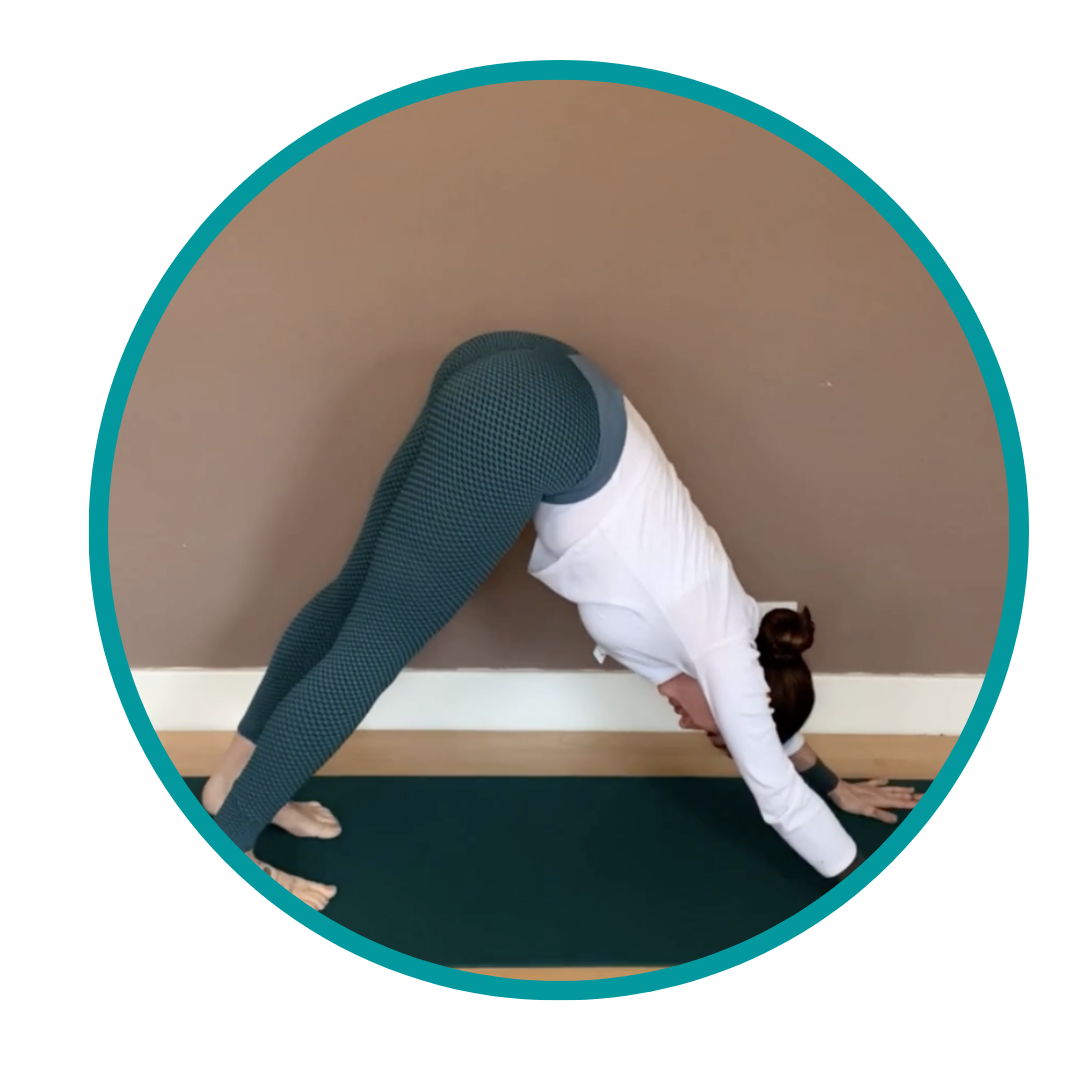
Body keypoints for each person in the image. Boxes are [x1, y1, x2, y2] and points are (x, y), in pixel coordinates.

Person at [200, 331, 922, 909]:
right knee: (377, 642)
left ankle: (236, 785)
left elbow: (767, 718)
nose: (689, 726)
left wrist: (833, 784)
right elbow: (773, 790)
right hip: (527, 415)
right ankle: (230, 852)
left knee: (355, 597)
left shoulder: (740, 630)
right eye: (713, 728)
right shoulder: (725, 649)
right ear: (741, 699)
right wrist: (858, 880)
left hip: (526, 372)